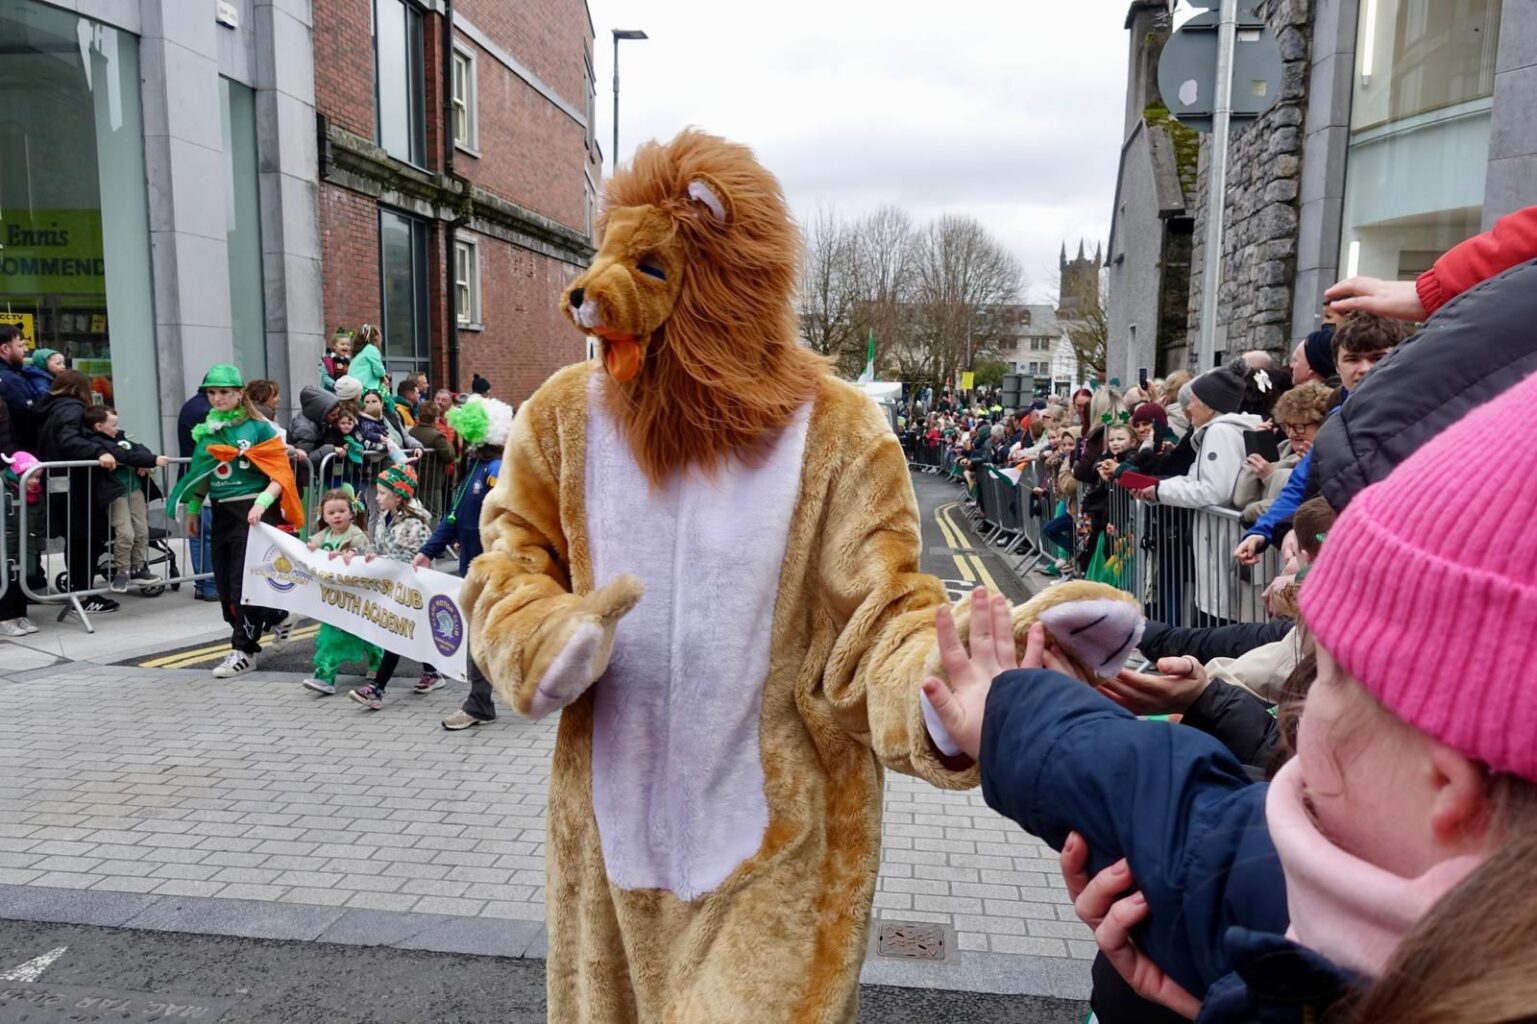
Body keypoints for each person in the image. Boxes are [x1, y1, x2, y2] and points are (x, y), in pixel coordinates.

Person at [926, 368, 1537, 1023]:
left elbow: (1187, 826)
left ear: (1445, 784)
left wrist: (1015, 712)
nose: (1295, 708)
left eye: (1326, 676)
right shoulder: (1457, 938)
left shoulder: (1297, 898)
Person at [1234, 313, 1409, 566]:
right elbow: (1301, 486)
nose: (1365, 368)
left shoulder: (1427, 412)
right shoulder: (1335, 420)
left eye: (1377, 358)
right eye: (1352, 359)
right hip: (1339, 553)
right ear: (1337, 366)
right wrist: (1263, 532)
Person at [168, 364, 304, 679]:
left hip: (253, 511)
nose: (217, 398)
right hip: (221, 512)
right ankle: (279, 616)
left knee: (244, 583)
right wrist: (193, 508)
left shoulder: (259, 428)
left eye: (224, 392)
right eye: (212, 392)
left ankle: (244, 650)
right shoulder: (208, 429)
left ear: (239, 393)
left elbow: (280, 473)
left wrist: (262, 502)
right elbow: (204, 472)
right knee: (225, 585)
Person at [1131, 365, 1261, 625]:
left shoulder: (1220, 432)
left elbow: (1213, 491)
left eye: (1192, 401)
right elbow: (1195, 479)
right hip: (1216, 538)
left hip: (1220, 541)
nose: (1188, 408)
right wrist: (1157, 488)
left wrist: (1160, 490)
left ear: (1209, 406)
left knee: (1217, 618)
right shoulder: (1221, 431)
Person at [415, 395, 512, 728]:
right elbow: (456, 515)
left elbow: (509, 518)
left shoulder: (495, 470)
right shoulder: (475, 468)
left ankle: (479, 704)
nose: (459, 439)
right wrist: (429, 550)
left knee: (480, 636)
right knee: (488, 634)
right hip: (473, 567)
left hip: (492, 568)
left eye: (465, 433)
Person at [348, 465, 436, 709]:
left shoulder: (416, 524)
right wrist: (357, 553)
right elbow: (378, 547)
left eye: (382, 493)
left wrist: (383, 561)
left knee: (395, 635)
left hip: (413, 589)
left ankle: (377, 689)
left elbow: (417, 558)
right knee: (414, 632)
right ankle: (432, 671)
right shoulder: (385, 517)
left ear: (398, 496)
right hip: (393, 587)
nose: (377, 497)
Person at [37, 369, 121, 614]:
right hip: (77, 486)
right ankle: (83, 596)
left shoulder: (49, 408)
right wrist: (99, 452)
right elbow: (69, 440)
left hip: (62, 484)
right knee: (85, 541)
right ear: (78, 390)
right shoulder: (71, 409)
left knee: (78, 540)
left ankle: (80, 593)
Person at [301, 486, 381, 696]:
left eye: (341, 511)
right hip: (332, 597)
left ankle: (377, 662)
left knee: (364, 633)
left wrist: (350, 555)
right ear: (324, 516)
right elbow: (312, 545)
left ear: (351, 513)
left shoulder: (357, 536)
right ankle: (325, 676)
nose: (336, 516)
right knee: (332, 635)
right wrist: (310, 548)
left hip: (354, 596)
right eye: (331, 512)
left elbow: (365, 558)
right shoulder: (323, 535)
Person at [85, 406, 170, 593]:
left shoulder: (119, 437)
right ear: (99, 426)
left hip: (134, 489)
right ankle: (122, 571)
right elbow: (122, 455)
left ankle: (138, 568)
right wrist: (152, 460)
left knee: (142, 531)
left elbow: (139, 448)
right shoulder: (97, 442)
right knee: (126, 533)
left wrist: (143, 460)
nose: (117, 428)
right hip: (116, 493)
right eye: (113, 425)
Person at [1231, 380, 1331, 524]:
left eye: (1300, 427)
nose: (1291, 434)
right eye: (1286, 426)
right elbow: (1241, 499)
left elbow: (1298, 505)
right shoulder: (1283, 449)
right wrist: (1257, 450)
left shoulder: (1329, 459)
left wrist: (1271, 476)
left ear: (1322, 424)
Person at [0, 325, 42, 450]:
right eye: (20, 345)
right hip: (15, 451)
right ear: (5, 348)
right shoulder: (10, 380)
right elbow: (27, 418)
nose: (26, 349)